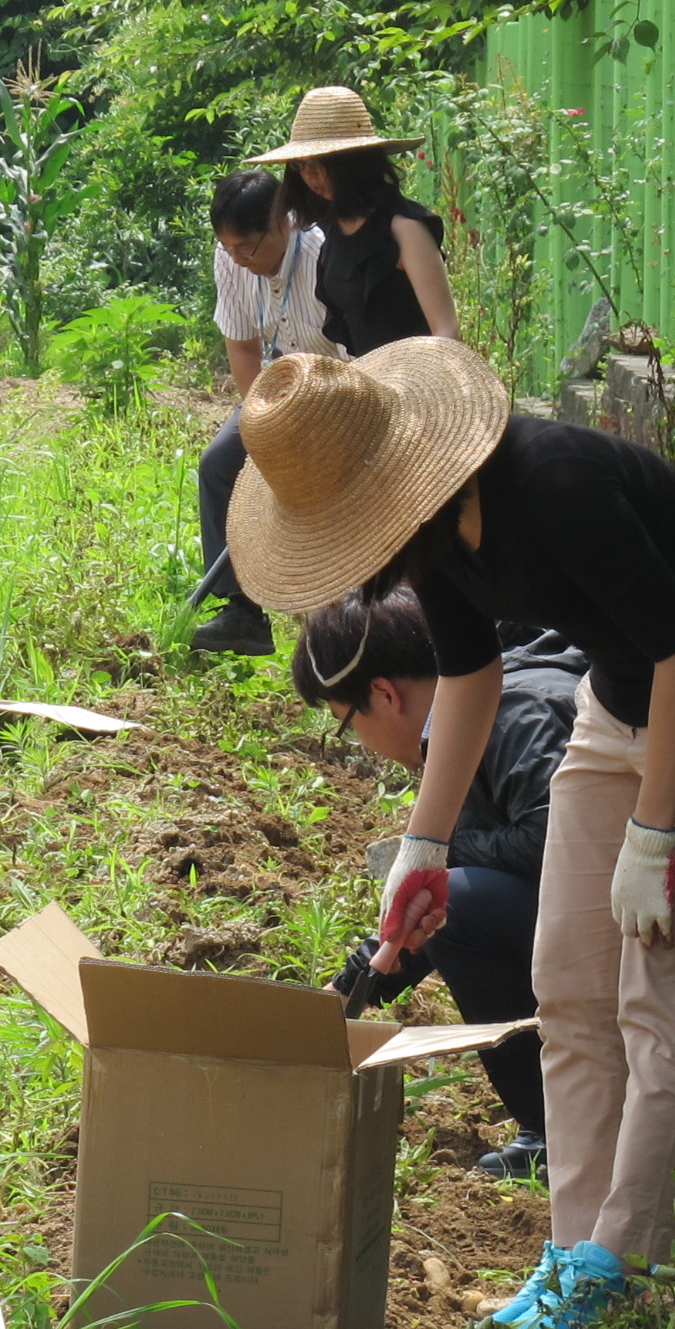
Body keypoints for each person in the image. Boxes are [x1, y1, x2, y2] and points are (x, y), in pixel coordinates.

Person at [226, 341, 675, 1329]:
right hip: (618, 698)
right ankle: (571, 1253)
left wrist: (653, 830)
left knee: (661, 998)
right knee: (569, 982)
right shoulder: (435, 540)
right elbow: (468, 678)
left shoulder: (552, 490)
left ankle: (621, 1264)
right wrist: (422, 843)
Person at [295, 590, 584, 1178]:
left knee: (466, 910)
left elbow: (554, 839)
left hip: (670, 939)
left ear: (383, 694)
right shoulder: (474, 712)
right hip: (606, 928)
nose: (361, 745)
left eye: (348, 727)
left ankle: (560, 1135)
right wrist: (352, 987)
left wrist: (443, 853)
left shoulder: (516, 712)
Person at [192, 170, 338, 658]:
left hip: (339, 393)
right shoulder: (231, 258)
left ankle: (344, 619)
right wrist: (263, 427)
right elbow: (243, 347)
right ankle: (241, 611)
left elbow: (357, 355)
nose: (238, 259)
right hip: (274, 390)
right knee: (218, 464)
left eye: (248, 247)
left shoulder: (323, 255)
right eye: (227, 247)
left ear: (284, 223)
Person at [246, 86, 458, 361]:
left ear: (354, 161)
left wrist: (419, 387)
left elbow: (447, 331)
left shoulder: (405, 228)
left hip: (420, 385)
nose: (311, 176)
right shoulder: (332, 227)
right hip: (372, 385)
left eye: (322, 163)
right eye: (301, 164)